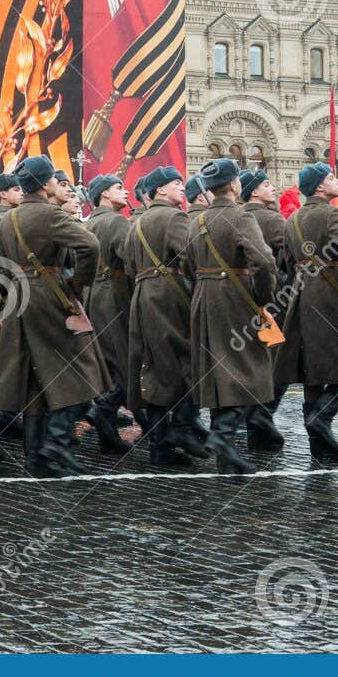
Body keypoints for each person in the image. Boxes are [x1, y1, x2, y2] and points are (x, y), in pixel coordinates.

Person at [0, 156, 106, 477]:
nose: (59, 186)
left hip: (18, 295)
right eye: (55, 181)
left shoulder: (7, 219)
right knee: (80, 366)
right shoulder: (50, 214)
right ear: (45, 184)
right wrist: (77, 283)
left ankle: (36, 458)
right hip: (48, 294)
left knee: (35, 377)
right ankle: (57, 441)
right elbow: (90, 244)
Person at [184, 158, 279, 474]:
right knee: (247, 367)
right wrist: (263, 299)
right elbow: (264, 261)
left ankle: (225, 456)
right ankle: (223, 438)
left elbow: (186, 265)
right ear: (235, 184)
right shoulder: (240, 216)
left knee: (216, 367)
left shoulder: (195, 220)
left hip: (203, 295)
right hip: (236, 297)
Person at [121, 165, 207, 467]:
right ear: (160, 190)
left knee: (154, 366)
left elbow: (129, 266)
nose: (182, 187)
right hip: (171, 295)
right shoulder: (175, 217)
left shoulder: (138, 222)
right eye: (175, 183)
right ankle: (181, 428)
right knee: (187, 360)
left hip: (143, 295)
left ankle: (160, 445)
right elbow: (192, 256)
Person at [276, 161, 338, 464]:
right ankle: (322, 417)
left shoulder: (292, 220)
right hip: (332, 298)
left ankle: (319, 446)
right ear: (319, 187)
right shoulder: (331, 214)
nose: (337, 180)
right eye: (331, 177)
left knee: (312, 371)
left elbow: (286, 263)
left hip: (301, 297)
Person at [83, 173, 136, 454]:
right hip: (115, 294)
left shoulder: (90, 221)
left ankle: (107, 433)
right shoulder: (116, 221)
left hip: (93, 294)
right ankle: (103, 409)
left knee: (106, 360)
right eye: (118, 188)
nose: (125, 192)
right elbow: (132, 257)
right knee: (122, 360)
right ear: (104, 194)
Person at [240, 168, 289, 450]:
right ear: (254, 192)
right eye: (267, 185)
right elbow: (286, 259)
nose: (273, 189)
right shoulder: (272, 220)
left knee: (247, 360)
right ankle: (260, 416)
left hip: (236, 300)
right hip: (271, 301)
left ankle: (249, 423)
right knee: (276, 362)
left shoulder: (237, 216)